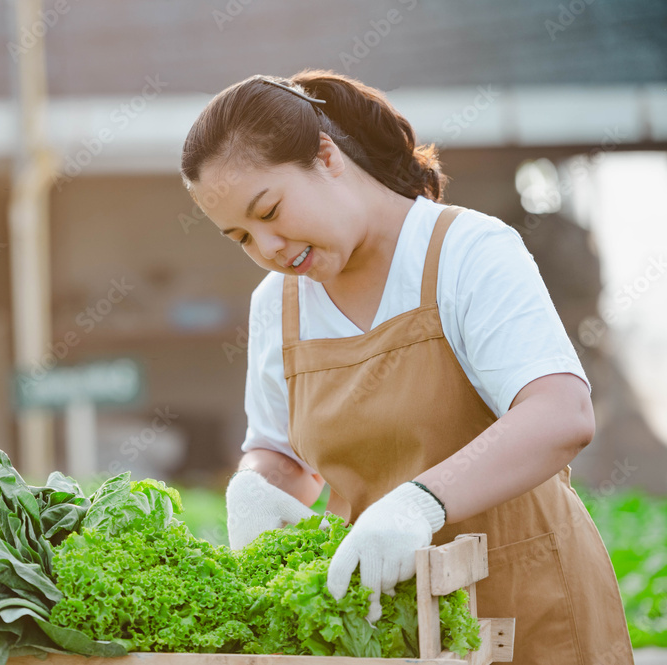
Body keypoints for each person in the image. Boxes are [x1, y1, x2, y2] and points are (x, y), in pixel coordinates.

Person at [179, 69, 634, 664]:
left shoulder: (467, 251)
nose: (267, 248)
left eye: (270, 210)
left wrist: (419, 503)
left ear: (326, 156)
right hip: (384, 632)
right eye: (240, 236)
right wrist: (257, 487)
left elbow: (560, 413)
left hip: (526, 614)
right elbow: (283, 454)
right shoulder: (277, 305)